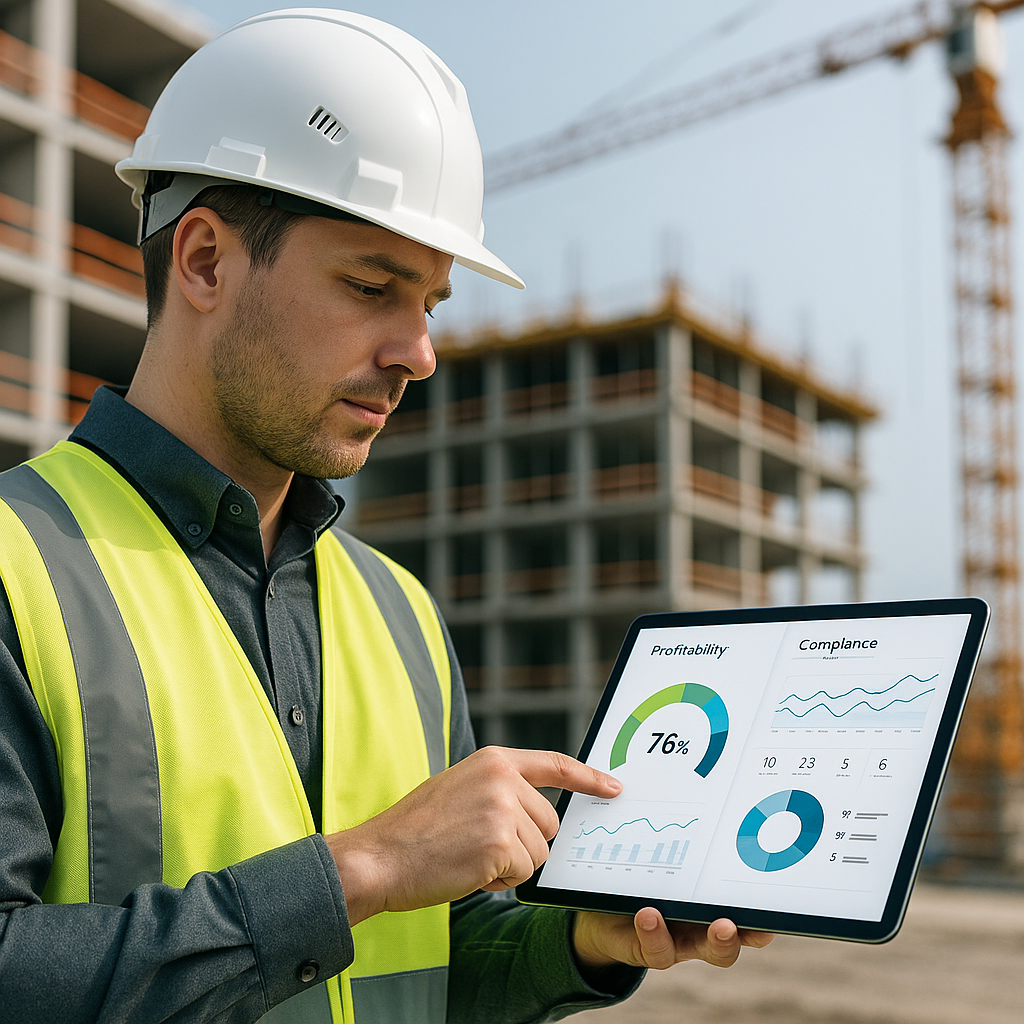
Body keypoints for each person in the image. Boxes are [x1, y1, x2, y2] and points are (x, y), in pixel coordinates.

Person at [0, 9, 772, 1023]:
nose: (419, 352)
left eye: (432, 304)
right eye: (372, 286)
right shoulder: (19, 564)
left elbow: (428, 958)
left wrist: (579, 937)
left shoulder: (398, 609)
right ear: (202, 261)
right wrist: (362, 866)